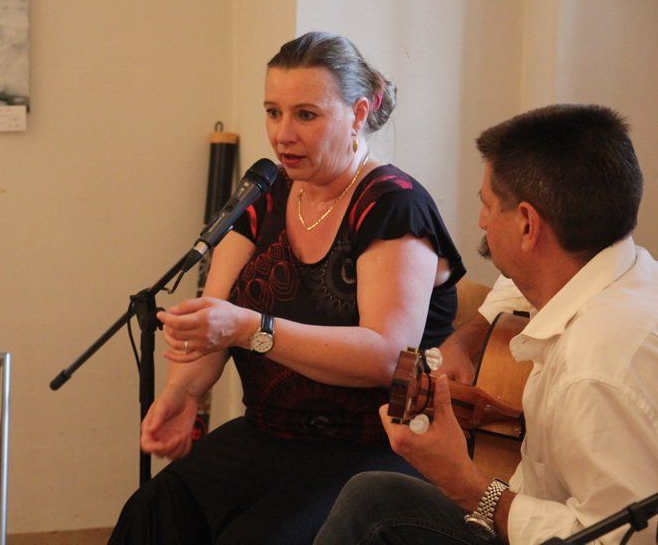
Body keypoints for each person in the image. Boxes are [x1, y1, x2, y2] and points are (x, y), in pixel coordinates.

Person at [109, 31, 465, 544]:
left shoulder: (392, 202)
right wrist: (182, 392)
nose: (282, 134)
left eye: (306, 115)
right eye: (273, 112)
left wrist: (252, 329)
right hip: (268, 433)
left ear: (358, 113)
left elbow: (387, 355)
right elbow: (215, 318)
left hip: (372, 451)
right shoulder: (265, 193)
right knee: (153, 511)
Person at [315, 104, 658, 544]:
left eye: (488, 205)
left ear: (528, 225)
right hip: (539, 506)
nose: (481, 220)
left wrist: (464, 482)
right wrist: (467, 341)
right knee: (375, 497)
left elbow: (615, 539)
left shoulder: (594, 371)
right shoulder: (621, 271)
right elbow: (518, 284)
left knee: (368, 506)